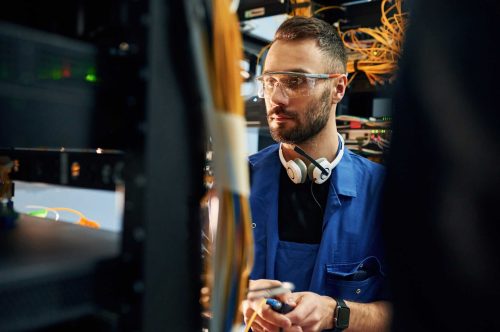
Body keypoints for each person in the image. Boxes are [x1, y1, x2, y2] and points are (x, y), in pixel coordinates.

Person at [243, 16, 391, 331]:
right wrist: (240, 301)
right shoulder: (238, 184)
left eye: (296, 80)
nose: (277, 98)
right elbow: (195, 286)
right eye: (271, 81)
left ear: (338, 88)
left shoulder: (384, 194)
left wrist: (336, 313)